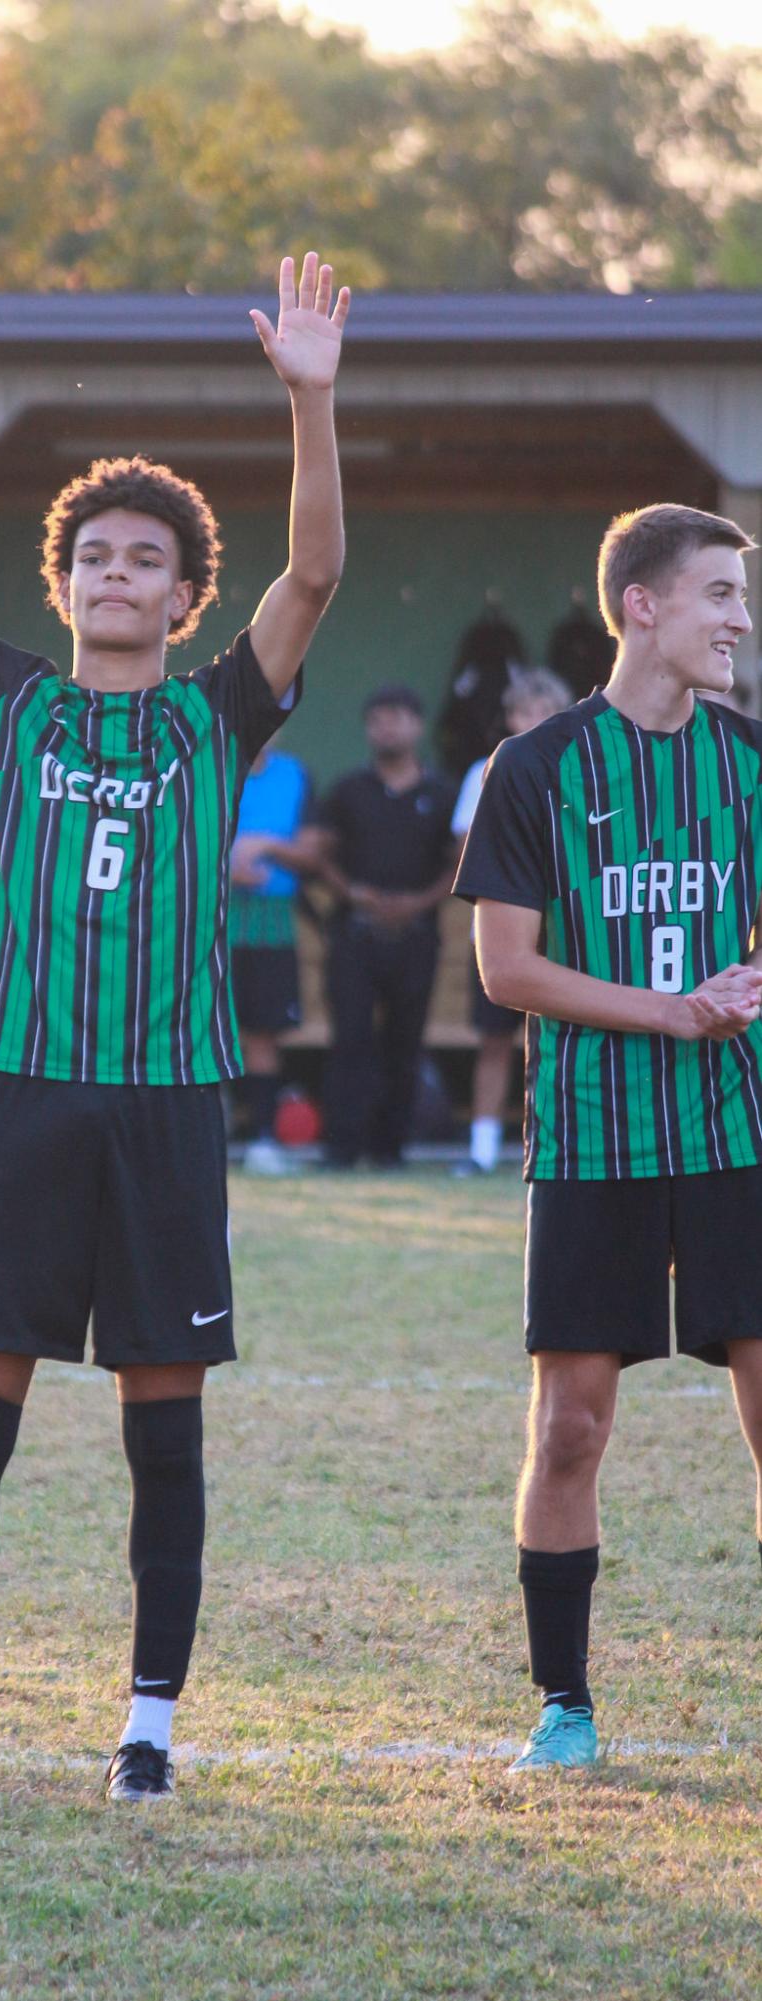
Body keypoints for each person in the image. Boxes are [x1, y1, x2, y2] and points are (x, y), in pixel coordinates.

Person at [0, 228, 347, 1804]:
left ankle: (146, 1735)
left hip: (161, 1101)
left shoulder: (220, 713)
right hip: (17, 1093)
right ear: (60, 586)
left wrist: (310, 406)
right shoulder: (9, 699)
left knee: (163, 1436)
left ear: (186, 594)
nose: (116, 575)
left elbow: (318, 571)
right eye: (94, 558)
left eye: (146, 560)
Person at [455, 502, 762, 1771]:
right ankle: (564, 1709)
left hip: (739, 1138)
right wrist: (670, 1012)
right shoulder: (537, 770)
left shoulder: (752, 762)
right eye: (718, 596)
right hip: (590, 1144)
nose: (738, 621)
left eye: (740, 599)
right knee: (569, 1430)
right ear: (640, 605)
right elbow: (504, 970)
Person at [312, 687, 459, 1168]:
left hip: (417, 935)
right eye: (376, 719)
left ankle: (390, 1150)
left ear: (417, 725)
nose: (386, 727)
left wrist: (419, 902)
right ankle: (341, 1148)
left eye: (396, 718)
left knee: (405, 1042)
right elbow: (322, 855)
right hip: (354, 933)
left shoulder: (442, 793)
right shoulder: (348, 789)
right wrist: (353, 893)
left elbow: (459, 862)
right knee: (350, 1039)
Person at [450, 668, 571, 1176]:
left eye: (547, 710)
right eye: (526, 710)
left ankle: (561, 1140)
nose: (535, 720)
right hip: (500, 937)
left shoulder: (577, 768)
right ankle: (482, 1149)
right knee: (495, 1043)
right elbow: (466, 849)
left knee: (563, 1045)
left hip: (567, 940)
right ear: (511, 716)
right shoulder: (487, 769)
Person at [229, 739, 322, 1173]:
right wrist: (224, 866)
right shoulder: (210, 766)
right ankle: (210, 1134)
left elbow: (310, 853)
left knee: (264, 1033)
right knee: (202, 1033)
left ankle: (263, 1141)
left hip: (272, 924)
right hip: (208, 922)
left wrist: (264, 844)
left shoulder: (296, 774)